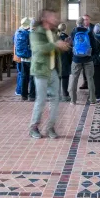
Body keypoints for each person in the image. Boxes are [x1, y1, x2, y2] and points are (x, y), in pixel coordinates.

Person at [29, 9, 70, 139]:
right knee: (41, 100)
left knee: (55, 100)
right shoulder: (36, 33)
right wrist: (56, 45)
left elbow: (55, 49)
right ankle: (34, 127)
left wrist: (64, 46)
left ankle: (50, 128)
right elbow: (39, 49)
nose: (55, 19)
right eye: (53, 17)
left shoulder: (53, 32)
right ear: (44, 18)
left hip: (53, 70)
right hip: (41, 70)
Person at [69, 16, 97, 105]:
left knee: (74, 78)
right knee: (90, 79)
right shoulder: (89, 32)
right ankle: (92, 100)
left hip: (76, 59)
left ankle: (73, 100)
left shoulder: (73, 32)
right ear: (84, 23)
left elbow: (71, 44)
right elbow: (94, 46)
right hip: (88, 58)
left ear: (76, 23)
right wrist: (91, 55)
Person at [13, 18, 35, 101]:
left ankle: (23, 95)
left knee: (24, 76)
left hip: (23, 58)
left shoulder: (18, 32)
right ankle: (32, 96)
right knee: (32, 77)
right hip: (31, 58)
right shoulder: (31, 33)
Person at [78, 15, 94, 90]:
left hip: (91, 51)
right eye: (84, 19)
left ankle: (92, 82)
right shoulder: (79, 28)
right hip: (83, 52)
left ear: (89, 20)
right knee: (84, 68)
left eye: (87, 19)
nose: (85, 21)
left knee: (91, 68)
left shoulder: (93, 28)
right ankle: (85, 82)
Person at [57, 23, 72, 101]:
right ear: (65, 29)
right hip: (65, 60)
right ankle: (65, 95)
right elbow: (70, 51)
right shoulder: (67, 38)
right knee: (65, 78)